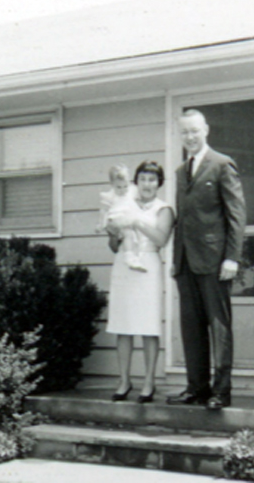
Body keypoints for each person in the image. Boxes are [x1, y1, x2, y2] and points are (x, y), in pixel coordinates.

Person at [167, 109, 246, 410]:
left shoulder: (222, 165)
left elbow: (236, 215)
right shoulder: (179, 172)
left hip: (215, 262)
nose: (189, 137)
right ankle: (196, 388)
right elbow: (183, 220)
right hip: (186, 262)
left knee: (219, 327)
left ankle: (221, 392)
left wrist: (232, 258)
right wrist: (177, 260)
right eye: (184, 132)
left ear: (206, 130)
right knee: (191, 328)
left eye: (194, 131)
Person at [106, 161, 174, 403]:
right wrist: (114, 232)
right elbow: (113, 246)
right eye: (143, 179)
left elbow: (162, 238)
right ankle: (124, 380)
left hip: (148, 265)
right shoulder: (124, 204)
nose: (147, 184)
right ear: (136, 182)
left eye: (152, 180)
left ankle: (148, 382)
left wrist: (137, 222)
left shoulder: (164, 209)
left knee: (148, 326)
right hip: (124, 264)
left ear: (159, 183)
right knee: (123, 326)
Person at [96, 164, 146, 272]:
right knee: (127, 234)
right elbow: (103, 210)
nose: (123, 190)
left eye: (125, 186)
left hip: (130, 219)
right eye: (119, 187)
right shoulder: (110, 195)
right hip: (117, 219)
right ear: (112, 184)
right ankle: (129, 257)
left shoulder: (132, 191)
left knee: (135, 235)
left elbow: (139, 200)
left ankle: (136, 257)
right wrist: (100, 224)